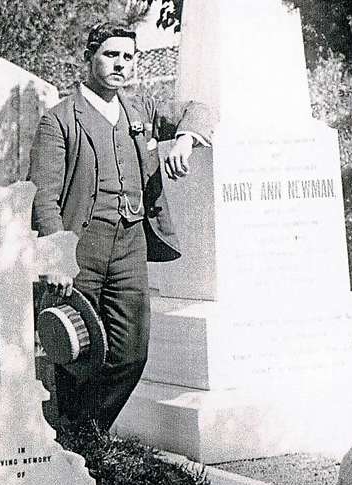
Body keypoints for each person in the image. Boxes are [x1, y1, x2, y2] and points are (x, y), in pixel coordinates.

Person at [28, 21, 214, 431]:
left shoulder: (141, 110)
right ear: (89, 57)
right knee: (76, 349)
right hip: (82, 247)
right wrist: (57, 257)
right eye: (111, 54)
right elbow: (44, 197)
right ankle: (79, 445)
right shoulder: (59, 120)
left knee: (131, 353)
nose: (121, 64)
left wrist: (183, 141)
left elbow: (198, 109)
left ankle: (85, 432)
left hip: (131, 243)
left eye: (128, 57)